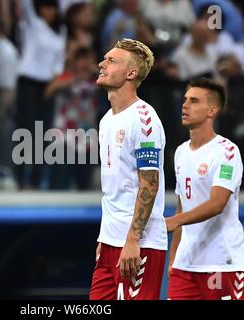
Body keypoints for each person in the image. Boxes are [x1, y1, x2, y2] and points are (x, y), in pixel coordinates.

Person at [90, 38, 167, 300]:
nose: (102, 63)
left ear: (131, 73)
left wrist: (133, 240)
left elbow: (149, 183)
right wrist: (105, 237)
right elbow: (113, 187)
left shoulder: (144, 119)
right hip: (110, 241)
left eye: (112, 60)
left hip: (139, 244)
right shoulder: (105, 120)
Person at [166, 78, 244, 300]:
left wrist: (176, 221)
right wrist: (173, 257)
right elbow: (182, 205)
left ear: (212, 110)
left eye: (194, 101)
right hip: (185, 267)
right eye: (185, 100)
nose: (185, 105)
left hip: (222, 263)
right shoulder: (181, 152)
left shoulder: (227, 152)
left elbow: (217, 204)